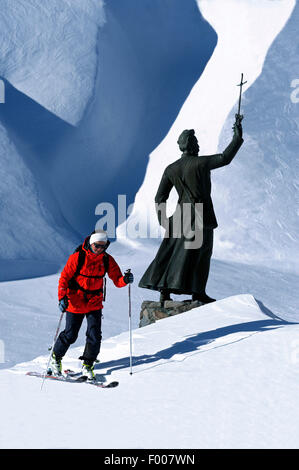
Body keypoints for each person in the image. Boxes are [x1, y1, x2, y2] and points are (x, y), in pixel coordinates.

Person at [138, 115, 244, 304]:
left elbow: (159, 197)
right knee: (201, 254)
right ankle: (198, 292)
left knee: (173, 252)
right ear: (191, 145)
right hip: (199, 215)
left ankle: (165, 291)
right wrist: (237, 138)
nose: (198, 145)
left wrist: (164, 221)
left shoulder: (171, 168)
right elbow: (225, 158)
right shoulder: (200, 163)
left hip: (179, 216)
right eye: (196, 142)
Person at [50, 230, 134, 380]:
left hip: (94, 303)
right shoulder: (77, 257)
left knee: (94, 335)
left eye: (104, 246)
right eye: (97, 246)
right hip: (75, 302)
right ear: (91, 243)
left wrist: (125, 280)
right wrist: (62, 297)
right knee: (70, 334)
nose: (100, 249)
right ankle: (55, 358)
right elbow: (64, 278)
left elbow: (117, 280)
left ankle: (88, 364)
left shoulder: (107, 260)